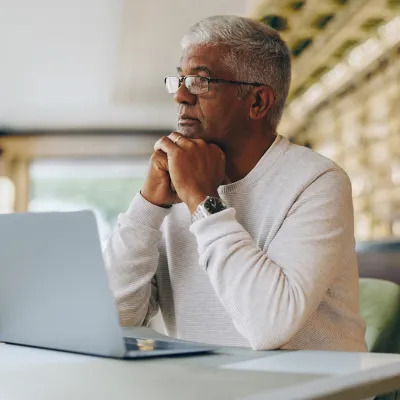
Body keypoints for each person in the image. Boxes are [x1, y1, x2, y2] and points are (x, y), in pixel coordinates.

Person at [104, 15, 367, 351]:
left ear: (257, 102)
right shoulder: (175, 183)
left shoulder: (317, 181)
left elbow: (268, 328)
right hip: (209, 384)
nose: (180, 97)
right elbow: (115, 319)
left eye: (200, 82)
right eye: (180, 80)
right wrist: (147, 206)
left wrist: (203, 202)